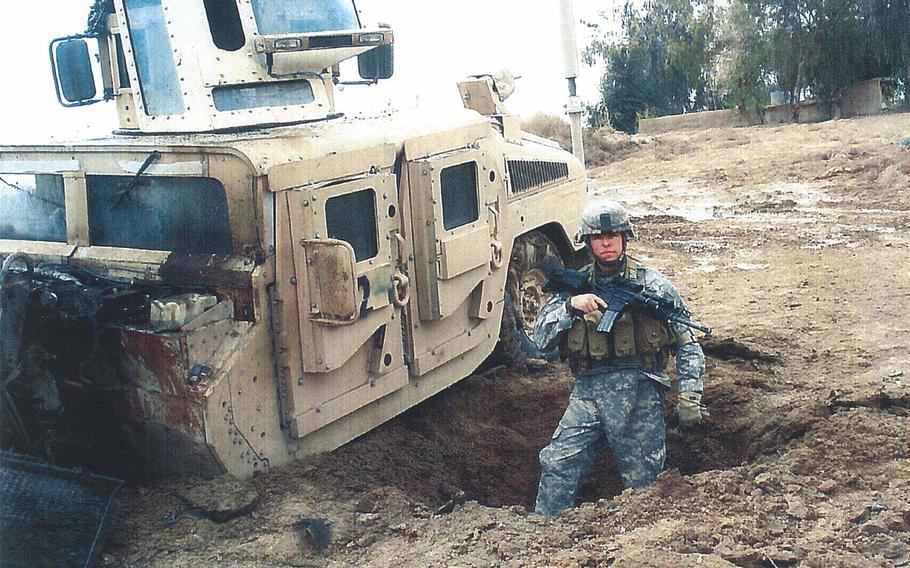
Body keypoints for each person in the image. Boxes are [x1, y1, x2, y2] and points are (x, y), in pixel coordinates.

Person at [532, 199, 707, 516]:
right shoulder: (574, 286)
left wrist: (690, 396)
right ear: (588, 242)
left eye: (613, 235)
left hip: (640, 391)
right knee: (557, 462)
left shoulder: (654, 287)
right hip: (588, 392)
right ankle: (544, 536)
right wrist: (570, 307)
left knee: (645, 487)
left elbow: (687, 339)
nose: (607, 243)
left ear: (625, 238)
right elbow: (541, 340)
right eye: (598, 237)